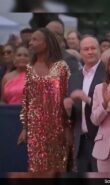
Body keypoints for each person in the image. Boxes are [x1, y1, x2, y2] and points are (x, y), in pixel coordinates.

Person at [17, 28, 71, 172]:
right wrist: (25, 127)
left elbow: (67, 98)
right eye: (31, 39)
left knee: (57, 168)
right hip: (35, 128)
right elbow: (27, 99)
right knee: (36, 169)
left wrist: (68, 127)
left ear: (46, 43)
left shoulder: (61, 67)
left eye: (35, 39)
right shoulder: (29, 68)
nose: (31, 42)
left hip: (57, 127)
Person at [63, 35, 106, 172]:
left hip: (101, 139)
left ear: (99, 50)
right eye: (86, 49)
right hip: (80, 139)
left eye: (93, 48)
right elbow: (70, 116)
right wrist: (68, 108)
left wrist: (87, 99)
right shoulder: (74, 77)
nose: (90, 52)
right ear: (80, 52)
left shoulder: (107, 73)